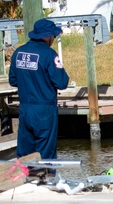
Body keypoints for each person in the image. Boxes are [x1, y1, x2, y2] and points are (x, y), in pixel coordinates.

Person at [9, 18, 70, 160]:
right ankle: (46, 178)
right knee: (46, 152)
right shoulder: (49, 54)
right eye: (54, 36)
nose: (54, 39)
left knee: (25, 152)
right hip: (44, 111)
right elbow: (62, 82)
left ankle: (24, 179)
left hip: (25, 108)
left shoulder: (19, 52)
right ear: (48, 36)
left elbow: (13, 80)